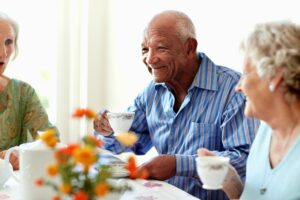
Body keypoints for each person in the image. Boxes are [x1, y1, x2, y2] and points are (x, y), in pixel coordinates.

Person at [94, 10, 259, 199]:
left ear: (190, 48)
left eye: (161, 48)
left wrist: (178, 164)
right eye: (145, 49)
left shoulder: (233, 89)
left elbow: (247, 159)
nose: (150, 59)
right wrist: (107, 131)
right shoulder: (152, 92)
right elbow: (125, 142)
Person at [198, 20, 300, 199]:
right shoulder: (265, 132)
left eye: (245, 74)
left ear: (275, 77)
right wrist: (230, 180)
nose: (238, 87)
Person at [0, 12, 58, 170]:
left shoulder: (23, 93)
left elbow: (53, 141)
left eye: (8, 42)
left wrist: (22, 153)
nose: (3, 53)